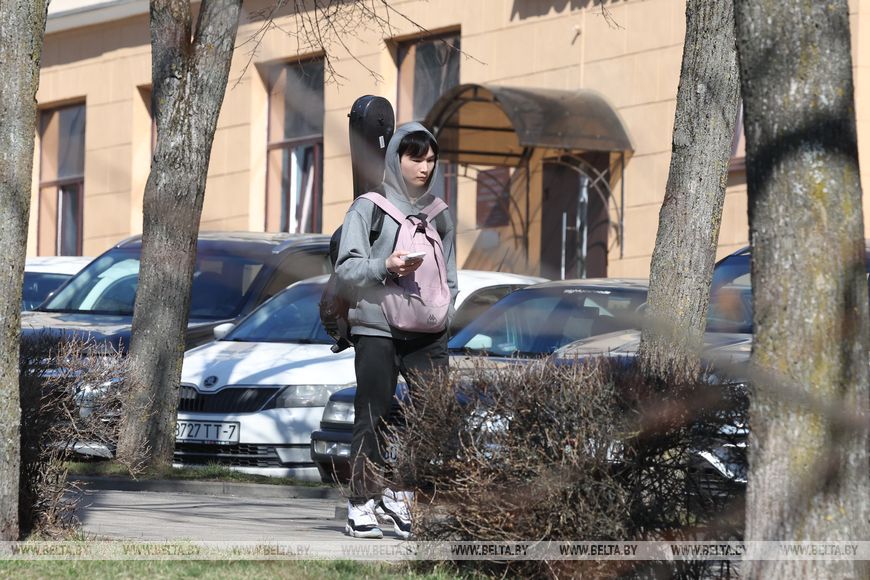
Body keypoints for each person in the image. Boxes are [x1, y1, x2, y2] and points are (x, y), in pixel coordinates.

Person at [335, 122, 457, 539]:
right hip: (376, 325)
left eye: (431, 159)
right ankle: (362, 502)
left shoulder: (439, 213)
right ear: (395, 159)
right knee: (372, 414)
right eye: (415, 158)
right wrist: (385, 266)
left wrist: (446, 310)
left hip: (428, 331)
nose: (425, 167)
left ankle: (400, 495)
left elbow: (450, 273)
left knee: (434, 417)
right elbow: (346, 268)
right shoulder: (368, 207)